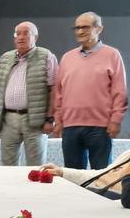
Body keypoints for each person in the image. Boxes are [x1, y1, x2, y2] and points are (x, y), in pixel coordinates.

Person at [53, 11, 127, 169]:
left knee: (100, 177)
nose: (80, 31)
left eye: (85, 27)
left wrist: (115, 120)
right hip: (70, 127)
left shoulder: (112, 55)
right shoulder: (67, 58)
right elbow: (59, 93)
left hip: (100, 127)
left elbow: (119, 91)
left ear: (98, 29)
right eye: (77, 27)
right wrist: (58, 120)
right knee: (73, 178)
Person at [0, 21, 59, 166]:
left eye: (26, 33)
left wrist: (50, 119)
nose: (21, 37)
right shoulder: (5, 58)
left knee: (36, 165)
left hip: (35, 121)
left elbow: (54, 89)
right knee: (7, 165)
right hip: (9, 119)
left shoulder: (46, 56)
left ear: (35, 37)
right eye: (18, 34)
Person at [41, 149, 130, 202]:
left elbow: (126, 201)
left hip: (111, 201)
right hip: (92, 192)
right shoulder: (128, 153)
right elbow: (101, 174)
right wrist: (62, 172)